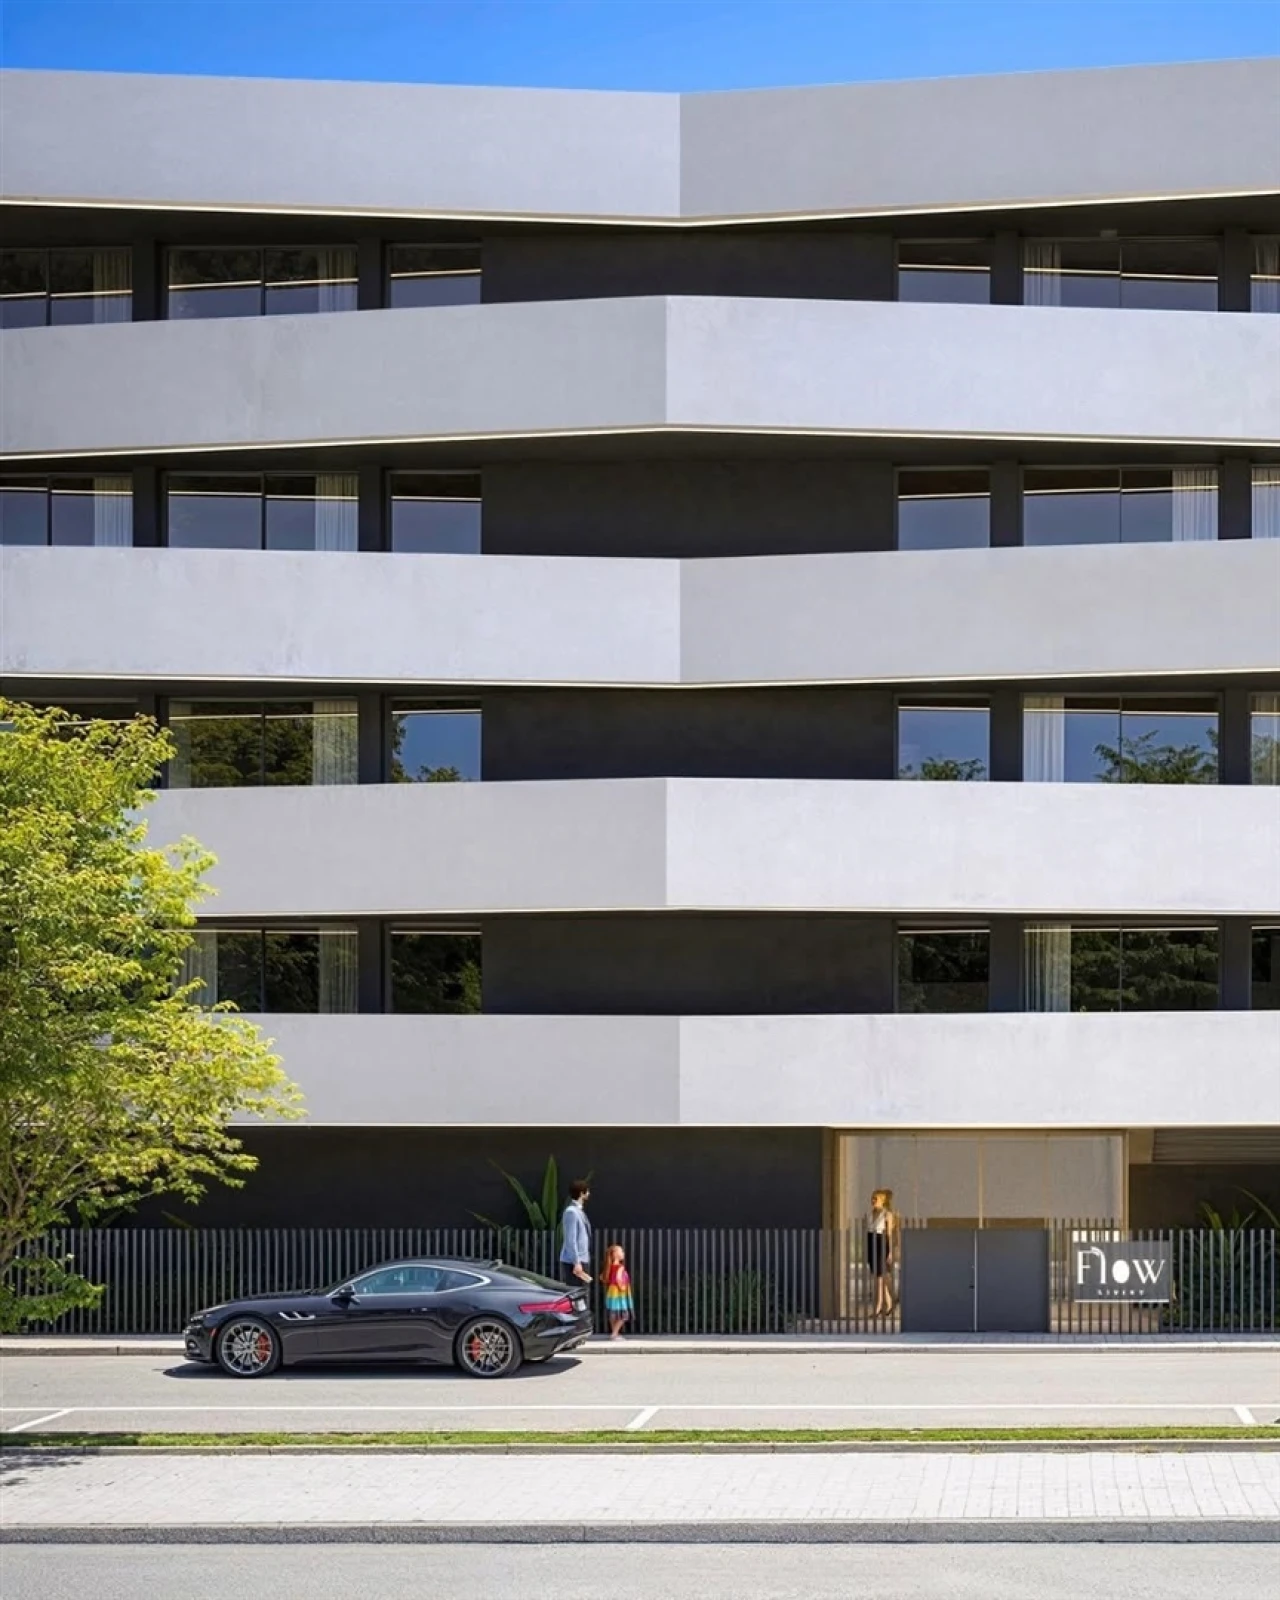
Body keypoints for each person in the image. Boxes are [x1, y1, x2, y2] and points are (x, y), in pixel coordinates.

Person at [867, 1188, 898, 1317]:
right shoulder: (872, 1213)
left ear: (882, 1201)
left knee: (880, 1276)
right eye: (872, 1199)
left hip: (881, 1242)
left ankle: (879, 1305)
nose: (873, 1201)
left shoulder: (887, 1214)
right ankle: (889, 1302)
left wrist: (890, 1251)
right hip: (871, 1240)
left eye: (876, 1199)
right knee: (878, 1275)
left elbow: (889, 1235)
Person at [559, 1179, 592, 1287]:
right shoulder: (571, 1212)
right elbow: (570, 1239)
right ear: (581, 1193)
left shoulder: (578, 1211)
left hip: (582, 1258)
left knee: (582, 1293)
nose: (589, 1193)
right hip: (575, 1261)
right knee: (577, 1294)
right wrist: (576, 1262)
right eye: (587, 1191)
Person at [601, 1243, 634, 1339]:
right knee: (624, 1314)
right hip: (619, 1293)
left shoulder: (609, 1267)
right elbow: (619, 1278)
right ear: (615, 1254)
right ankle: (614, 1333)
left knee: (613, 1313)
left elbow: (602, 1278)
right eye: (621, 1251)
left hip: (612, 1293)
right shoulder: (620, 1267)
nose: (623, 1253)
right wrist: (623, 1288)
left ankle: (614, 1333)